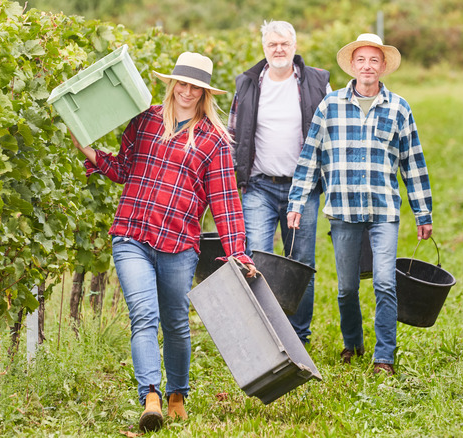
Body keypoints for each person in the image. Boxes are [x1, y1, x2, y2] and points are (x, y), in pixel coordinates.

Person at [70, 52, 257, 432]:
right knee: (144, 315)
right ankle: (150, 396)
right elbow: (124, 169)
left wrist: (237, 251)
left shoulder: (215, 141)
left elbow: (225, 202)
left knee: (175, 322)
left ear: (205, 93)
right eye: (181, 83)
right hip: (132, 234)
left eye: (195, 87)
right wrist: (87, 150)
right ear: (172, 84)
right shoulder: (146, 120)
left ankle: (177, 394)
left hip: (178, 243)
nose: (186, 91)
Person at [287, 34, 433, 376]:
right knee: (347, 287)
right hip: (343, 210)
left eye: (374, 60)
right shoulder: (330, 106)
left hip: (384, 210)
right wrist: (296, 201)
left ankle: (384, 356)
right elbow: (309, 158)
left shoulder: (399, 108)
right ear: (353, 66)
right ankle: (352, 342)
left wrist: (423, 212)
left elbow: (413, 163)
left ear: (383, 67)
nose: (368, 66)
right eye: (361, 60)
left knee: (385, 282)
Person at [228, 20, 330, 344]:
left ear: (295, 46)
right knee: (256, 256)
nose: (279, 49)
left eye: (284, 43)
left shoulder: (316, 82)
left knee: (301, 262)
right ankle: (263, 334)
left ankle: (298, 336)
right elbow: (233, 136)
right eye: (272, 44)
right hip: (259, 186)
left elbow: (331, 134)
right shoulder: (246, 84)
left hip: (303, 189)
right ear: (264, 48)